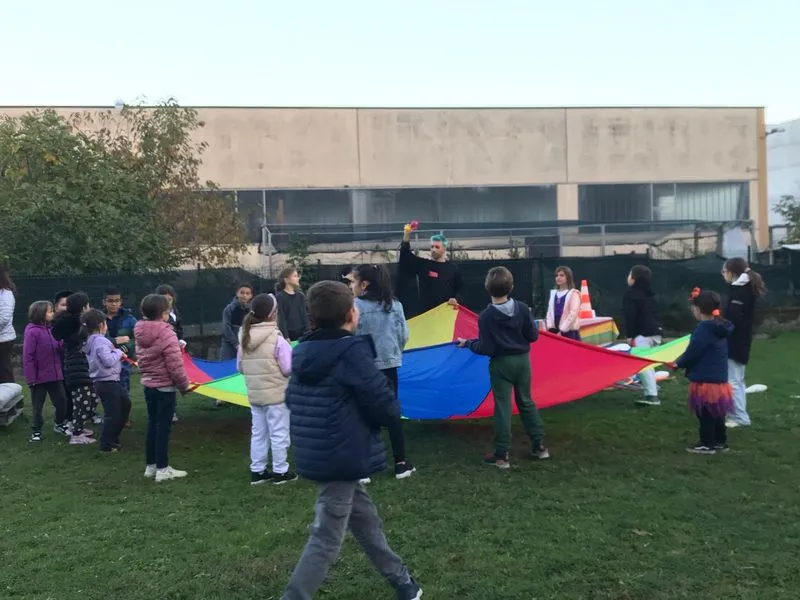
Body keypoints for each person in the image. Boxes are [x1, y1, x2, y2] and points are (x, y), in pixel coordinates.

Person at [281, 281, 422, 600]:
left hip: (322, 449)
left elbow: (293, 399)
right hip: (341, 453)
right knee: (327, 536)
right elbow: (384, 403)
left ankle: (403, 582)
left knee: (364, 518)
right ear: (350, 314)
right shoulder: (351, 353)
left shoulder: (303, 351)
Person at [457, 267, 549, 469]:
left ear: (487, 288)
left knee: (503, 407)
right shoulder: (523, 308)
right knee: (526, 401)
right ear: (512, 286)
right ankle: (539, 446)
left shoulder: (486, 316)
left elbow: (486, 348)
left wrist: (468, 344)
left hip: (501, 365)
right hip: (523, 362)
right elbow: (533, 336)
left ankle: (501, 455)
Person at [353, 264, 415, 481]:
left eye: (353, 281)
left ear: (364, 283)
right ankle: (400, 463)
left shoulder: (355, 306)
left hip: (364, 367)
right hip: (388, 367)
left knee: (362, 414)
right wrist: (394, 353)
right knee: (392, 413)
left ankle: (363, 468)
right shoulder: (395, 306)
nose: (351, 285)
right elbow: (403, 335)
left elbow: (351, 334)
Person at [238, 293, 296, 486]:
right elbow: (288, 368)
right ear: (273, 314)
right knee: (279, 433)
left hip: (255, 395)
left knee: (259, 432)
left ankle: (258, 470)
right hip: (277, 394)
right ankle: (281, 471)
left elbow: (240, 366)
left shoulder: (244, 336)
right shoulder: (277, 338)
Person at [135, 294, 192, 483]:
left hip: (149, 384)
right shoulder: (167, 333)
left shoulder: (140, 331)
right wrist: (184, 386)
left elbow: (143, 359)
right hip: (164, 388)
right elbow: (175, 365)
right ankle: (162, 468)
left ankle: (150, 466)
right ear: (164, 313)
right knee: (163, 428)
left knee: (153, 425)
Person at [674, 290, 733, 454]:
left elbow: (693, 351)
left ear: (699, 309)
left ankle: (707, 443)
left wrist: (677, 364)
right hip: (719, 377)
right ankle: (720, 441)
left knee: (705, 413)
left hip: (705, 379)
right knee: (717, 412)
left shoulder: (703, 329)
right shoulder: (720, 326)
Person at [722, 258, 766, 429]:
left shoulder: (740, 291)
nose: (723, 274)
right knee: (737, 379)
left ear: (732, 272)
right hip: (741, 339)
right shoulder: (743, 288)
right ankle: (736, 414)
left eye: (724, 271)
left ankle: (740, 417)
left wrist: (722, 326)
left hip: (735, 340)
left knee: (733, 380)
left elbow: (734, 316)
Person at [82, 308, 130, 452]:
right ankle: (107, 443)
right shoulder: (100, 341)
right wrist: (118, 351)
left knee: (125, 405)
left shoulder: (92, 340)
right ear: (102, 325)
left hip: (108, 381)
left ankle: (113, 437)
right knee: (113, 413)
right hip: (107, 381)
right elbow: (108, 361)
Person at [52, 292, 98, 445]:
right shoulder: (80, 326)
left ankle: (78, 427)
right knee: (83, 401)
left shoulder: (68, 323)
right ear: (84, 307)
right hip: (78, 369)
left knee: (87, 399)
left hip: (76, 368)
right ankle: (76, 434)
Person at [23, 300, 70, 442]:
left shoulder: (51, 329)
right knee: (38, 406)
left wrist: (62, 344)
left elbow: (56, 346)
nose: (53, 313)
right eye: (50, 311)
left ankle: (59, 423)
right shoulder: (32, 332)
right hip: (38, 378)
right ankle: (36, 431)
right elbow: (28, 356)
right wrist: (31, 378)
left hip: (55, 375)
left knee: (62, 401)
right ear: (40, 314)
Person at [623, 265, 662, 406]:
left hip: (642, 335)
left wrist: (630, 335)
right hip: (656, 333)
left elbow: (630, 316)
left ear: (634, 278)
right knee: (648, 364)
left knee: (643, 365)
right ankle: (652, 389)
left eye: (630, 274)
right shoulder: (651, 294)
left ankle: (652, 396)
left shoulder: (631, 295)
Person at [399, 226, 462, 314]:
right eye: (432, 247)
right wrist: (406, 235)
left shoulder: (453, 269)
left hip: (446, 313)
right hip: (426, 314)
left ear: (444, 248)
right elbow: (406, 256)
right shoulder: (423, 265)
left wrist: (455, 299)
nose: (433, 249)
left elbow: (460, 289)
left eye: (437, 247)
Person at [156, 284, 185, 424]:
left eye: (169, 299)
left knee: (172, 381)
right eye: (164, 299)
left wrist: (181, 340)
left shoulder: (175, 313)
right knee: (162, 383)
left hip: (174, 351)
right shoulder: (156, 317)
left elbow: (179, 329)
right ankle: (163, 410)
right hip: (162, 354)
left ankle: (171, 410)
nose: (167, 303)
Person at [103, 287, 137, 396]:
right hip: (105, 361)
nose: (114, 304)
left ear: (121, 302)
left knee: (123, 392)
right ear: (104, 302)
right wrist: (115, 341)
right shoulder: (99, 319)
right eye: (110, 301)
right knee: (107, 393)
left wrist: (127, 347)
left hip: (124, 361)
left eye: (117, 301)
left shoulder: (129, 319)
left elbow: (138, 337)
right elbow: (96, 338)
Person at [545, 266, 582, 340]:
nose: (558, 278)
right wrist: (550, 327)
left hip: (568, 330)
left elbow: (573, 314)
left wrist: (562, 329)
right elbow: (549, 311)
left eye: (561, 275)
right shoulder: (553, 293)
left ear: (568, 278)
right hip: (554, 329)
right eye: (557, 275)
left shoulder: (573, 293)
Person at [220, 283, 254, 361]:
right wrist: (236, 344)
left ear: (251, 296)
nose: (244, 295)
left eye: (247, 293)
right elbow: (226, 328)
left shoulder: (252, 310)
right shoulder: (229, 309)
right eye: (242, 292)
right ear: (237, 293)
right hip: (229, 346)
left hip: (246, 345)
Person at [275, 267, 310, 342]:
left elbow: (304, 315)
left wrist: (308, 331)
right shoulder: (280, 297)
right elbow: (281, 317)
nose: (298, 278)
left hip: (302, 334)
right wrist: (285, 336)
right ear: (286, 280)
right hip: (289, 336)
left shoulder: (300, 296)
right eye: (295, 276)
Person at [0, 267, 16, 384]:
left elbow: (4, 317)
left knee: (4, 370)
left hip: (3, 339)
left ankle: (12, 399)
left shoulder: (5, 293)